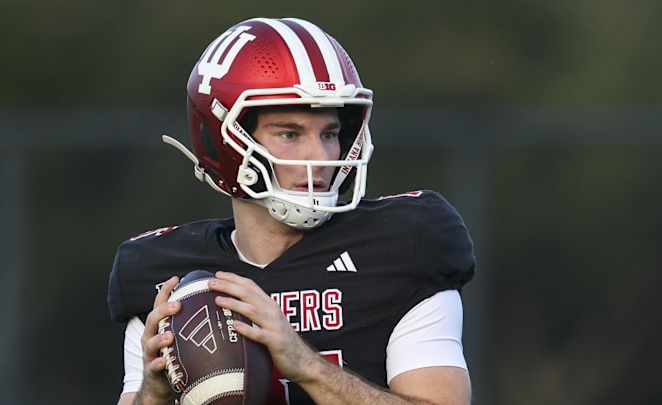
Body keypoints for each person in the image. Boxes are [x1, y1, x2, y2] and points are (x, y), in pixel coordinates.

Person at [107, 17, 475, 405]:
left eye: (329, 134)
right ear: (224, 142)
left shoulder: (403, 244)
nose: (320, 155)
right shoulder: (166, 276)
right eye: (289, 134)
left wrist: (307, 365)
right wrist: (156, 394)